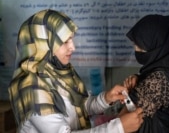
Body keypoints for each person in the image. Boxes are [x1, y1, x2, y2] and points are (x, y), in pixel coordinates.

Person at [8, 9, 143, 133]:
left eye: (71, 39)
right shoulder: (31, 88)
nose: (73, 47)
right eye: (65, 42)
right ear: (44, 45)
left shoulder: (60, 72)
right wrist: (118, 128)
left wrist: (106, 98)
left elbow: (80, 105)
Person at [122, 14, 169, 133]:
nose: (136, 49)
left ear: (158, 43)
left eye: (141, 45)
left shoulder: (157, 81)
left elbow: (121, 124)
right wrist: (140, 79)